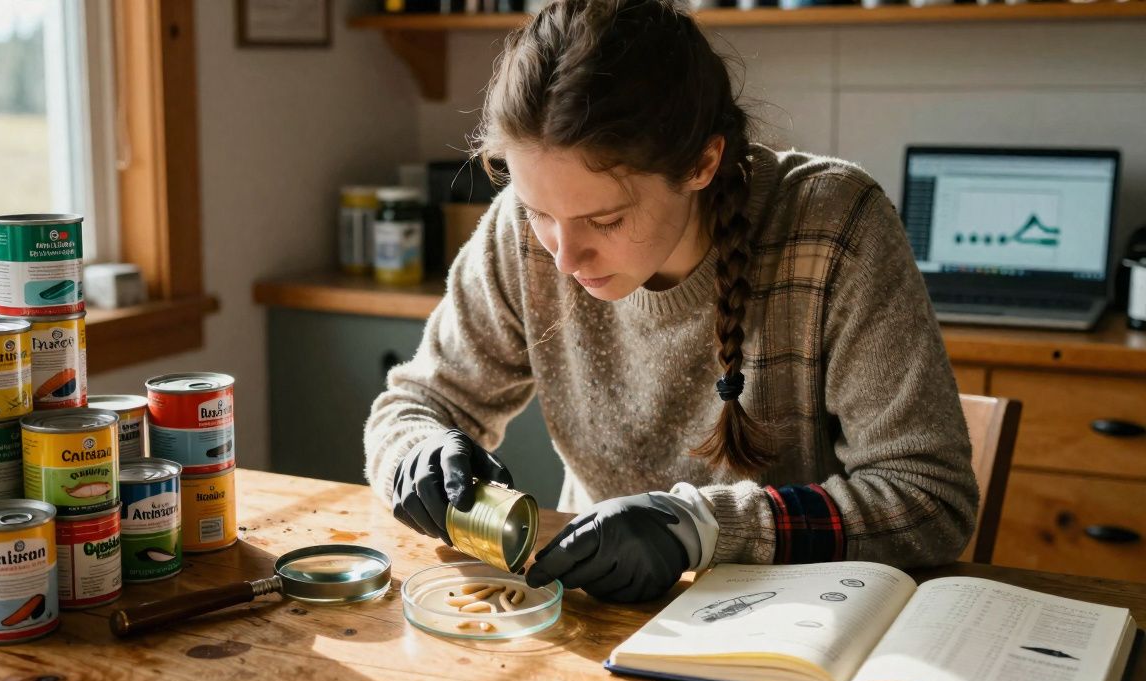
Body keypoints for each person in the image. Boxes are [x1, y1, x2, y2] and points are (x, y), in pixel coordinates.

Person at [364, 0, 978, 604]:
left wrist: (699, 529)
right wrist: (415, 455)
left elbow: (929, 500)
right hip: (594, 607)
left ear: (702, 163)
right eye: (538, 212)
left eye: (604, 220)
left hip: (794, 617)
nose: (563, 257)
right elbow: (416, 404)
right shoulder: (522, 235)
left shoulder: (834, 228)